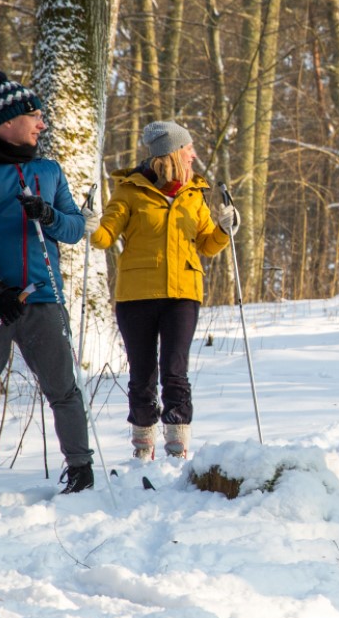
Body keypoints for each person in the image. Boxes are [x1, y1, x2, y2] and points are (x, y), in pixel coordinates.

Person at [0, 70, 94, 499]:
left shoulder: (48, 170)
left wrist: (47, 215)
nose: (42, 124)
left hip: (43, 298)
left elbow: (75, 228)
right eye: (35, 116)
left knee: (63, 387)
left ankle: (81, 470)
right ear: (7, 121)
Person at [86, 121, 237, 460]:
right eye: (188, 149)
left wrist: (226, 229)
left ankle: (177, 446)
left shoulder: (194, 195)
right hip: (136, 296)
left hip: (183, 294)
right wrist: (91, 225)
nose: (194, 155)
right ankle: (143, 446)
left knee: (175, 370)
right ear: (171, 154)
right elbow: (105, 238)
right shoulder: (129, 191)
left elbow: (208, 245)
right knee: (142, 374)